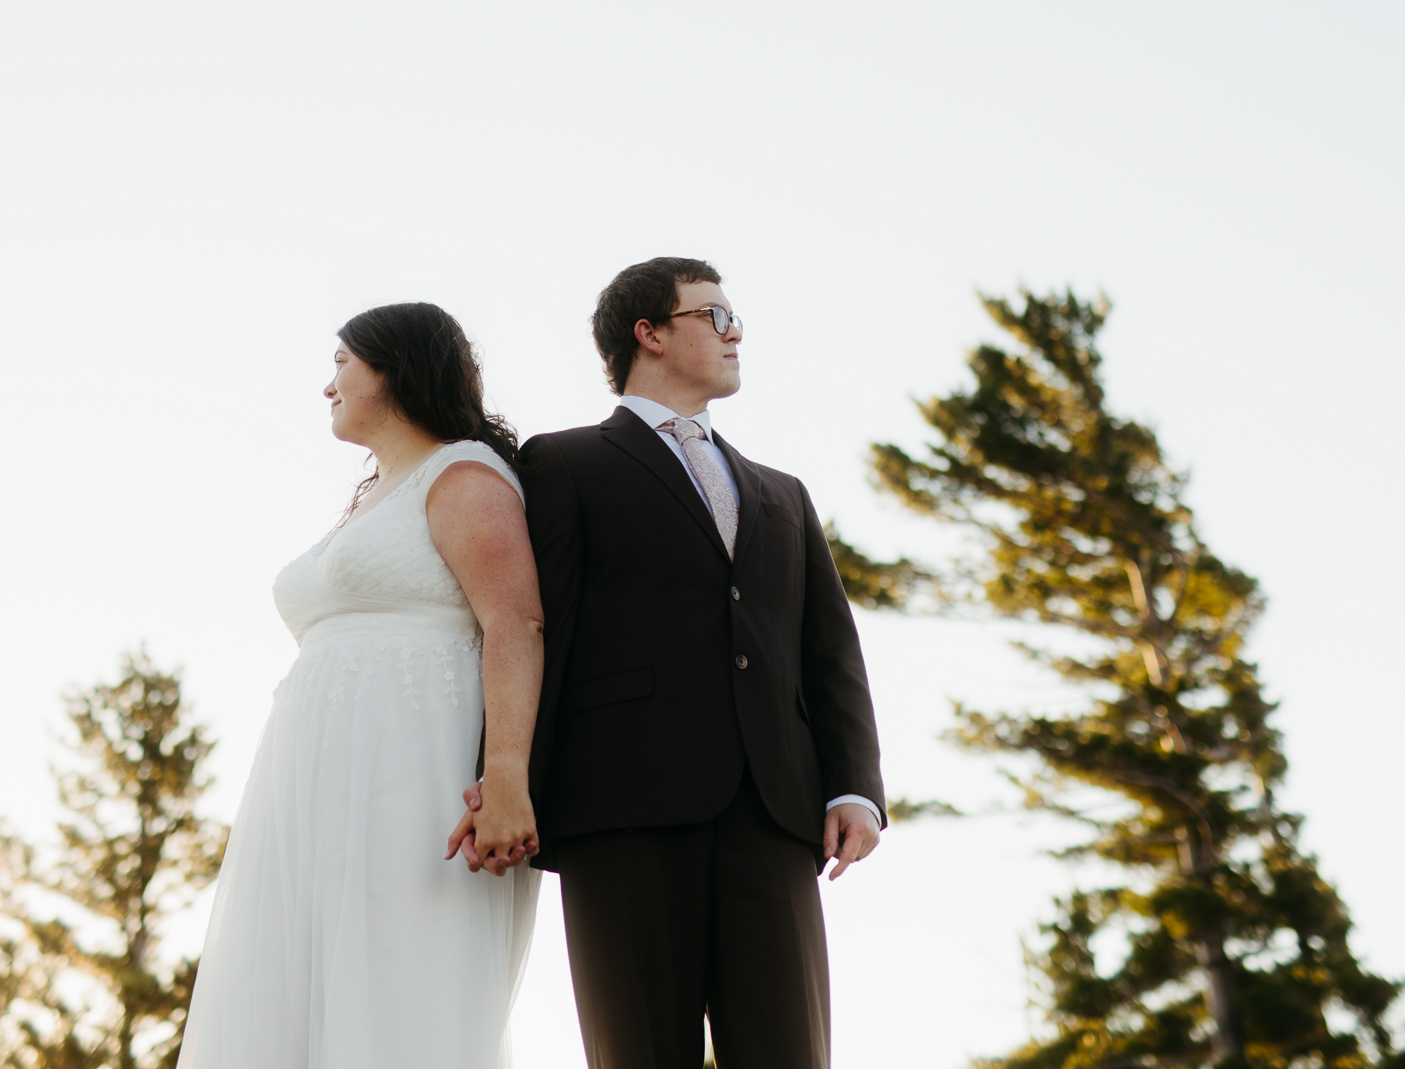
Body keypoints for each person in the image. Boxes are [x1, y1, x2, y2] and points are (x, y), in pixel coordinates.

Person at [451, 256, 885, 1069]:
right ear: (649, 333)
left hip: (775, 814)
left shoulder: (783, 494)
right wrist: (507, 783)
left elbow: (831, 652)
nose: (737, 332)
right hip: (623, 814)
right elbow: (540, 628)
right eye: (715, 316)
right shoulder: (565, 463)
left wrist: (855, 785)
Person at [178, 302, 544, 1069]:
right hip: (311, 788)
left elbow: (515, 623)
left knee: (398, 990)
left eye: (341, 362)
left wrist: (506, 775)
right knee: (295, 997)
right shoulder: (374, 493)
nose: (327, 385)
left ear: (393, 367)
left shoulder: (464, 475)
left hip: (412, 775)